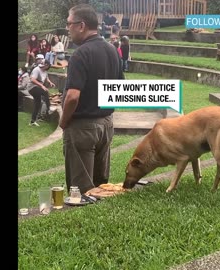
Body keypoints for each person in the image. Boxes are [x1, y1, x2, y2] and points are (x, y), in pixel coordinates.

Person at [60, 4, 124, 194]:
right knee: (100, 185)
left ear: (81, 25)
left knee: (81, 190)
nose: (67, 28)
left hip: (82, 127)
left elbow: (72, 97)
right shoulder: (112, 50)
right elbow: (119, 90)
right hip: (106, 125)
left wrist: (63, 122)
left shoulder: (81, 54)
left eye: (69, 23)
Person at [26, 59, 56, 126]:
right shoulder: (37, 70)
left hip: (37, 88)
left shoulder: (45, 71)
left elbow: (46, 78)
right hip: (32, 88)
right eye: (47, 66)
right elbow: (32, 79)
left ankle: (32, 121)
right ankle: (49, 109)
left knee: (37, 104)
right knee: (45, 92)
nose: (48, 67)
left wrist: (50, 82)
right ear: (46, 65)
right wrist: (42, 85)